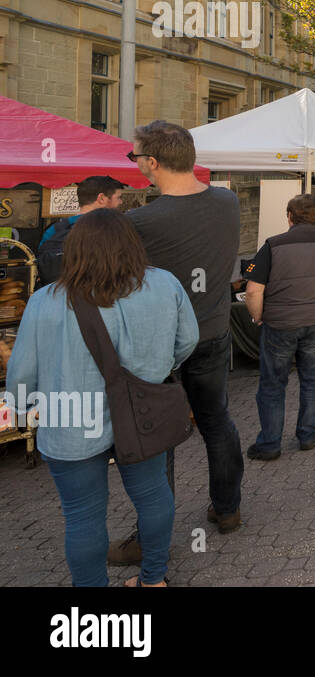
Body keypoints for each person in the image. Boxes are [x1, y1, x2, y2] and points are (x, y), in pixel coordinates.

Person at [7, 209, 198, 586]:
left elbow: (22, 373)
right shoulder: (165, 284)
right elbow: (188, 341)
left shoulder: (46, 300)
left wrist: (23, 408)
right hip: (143, 412)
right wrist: (155, 371)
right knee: (153, 495)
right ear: (132, 243)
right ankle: (154, 579)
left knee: (82, 516)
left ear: (73, 251)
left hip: (69, 419)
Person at [110, 120, 242, 565]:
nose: (137, 166)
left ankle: (151, 538)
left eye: (136, 158)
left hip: (162, 344)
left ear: (151, 162)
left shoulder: (141, 221)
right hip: (214, 332)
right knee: (217, 422)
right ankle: (227, 510)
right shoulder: (227, 202)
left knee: (159, 436)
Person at [244, 194, 315, 460]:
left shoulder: (273, 245)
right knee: (313, 378)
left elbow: (253, 290)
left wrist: (258, 316)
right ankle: (308, 433)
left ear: (289, 216)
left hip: (280, 322)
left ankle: (270, 443)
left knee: (273, 383)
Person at [36, 176, 125, 286]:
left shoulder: (54, 229)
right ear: (101, 198)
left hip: (55, 294)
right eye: (119, 197)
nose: (120, 202)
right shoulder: (110, 230)